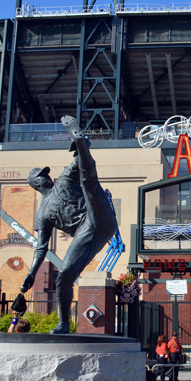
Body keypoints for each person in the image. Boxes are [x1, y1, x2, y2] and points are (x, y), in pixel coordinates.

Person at [20, 116, 119, 334]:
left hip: (98, 215)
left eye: (46, 174)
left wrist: (81, 146)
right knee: (64, 275)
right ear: (36, 183)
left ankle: (79, 138)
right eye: (42, 176)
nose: (46, 177)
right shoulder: (42, 213)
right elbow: (41, 247)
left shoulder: (64, 178)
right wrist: (32, 272)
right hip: (85, 233)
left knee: (88, 180)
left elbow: (82, 162)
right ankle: (64, 323)